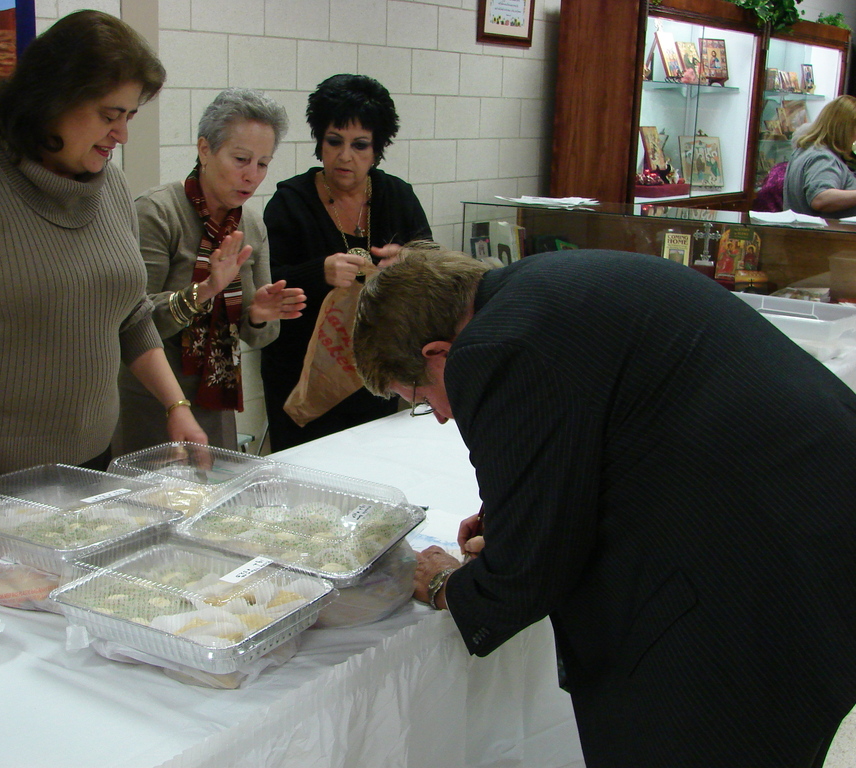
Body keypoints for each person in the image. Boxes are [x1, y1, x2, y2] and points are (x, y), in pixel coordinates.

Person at [352, 244, 856, 768]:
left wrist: (446, 585)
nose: (437, 415)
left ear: (438, 354)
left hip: (766, 560)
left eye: (419, 396)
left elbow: (529, 575)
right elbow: (595, 432)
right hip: (809, 505)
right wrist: (515, 513)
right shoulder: (538, 289)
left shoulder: (493, 347)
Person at [0, 10, 206, 572]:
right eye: (110, 114)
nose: (122, 134)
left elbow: (128, 313)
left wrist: (176, 406)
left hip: (84, 462)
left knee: (72, 619)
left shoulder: (109, 187)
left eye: (129, 115)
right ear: (55, 98)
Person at [114, 88, 305, 454]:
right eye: (241, 159)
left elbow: (259, 338)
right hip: (152, 396)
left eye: (263, 164)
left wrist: (261, 316)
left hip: (216, 395)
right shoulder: (157, 212)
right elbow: (135, 322)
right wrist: (205, 290)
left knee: (215, 496)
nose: (252, 176)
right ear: (205, 149)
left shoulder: (251, 224)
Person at [260, 73, 432, 451]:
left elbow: (434, 267)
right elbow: (265, 284)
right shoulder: (290, 203)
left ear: (377, 150)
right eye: (334, 142)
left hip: (375, 372)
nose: (345, 156)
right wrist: (317, 273)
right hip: (303, 373)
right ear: (320, 142)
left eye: (360, 145)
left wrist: (409, 261)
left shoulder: (396, 196)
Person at [783, 94, 856, 218]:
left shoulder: (804, 151)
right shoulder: (823, 157)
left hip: (802, 234)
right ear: (846, 129)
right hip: (825, 235)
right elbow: (820, 199)